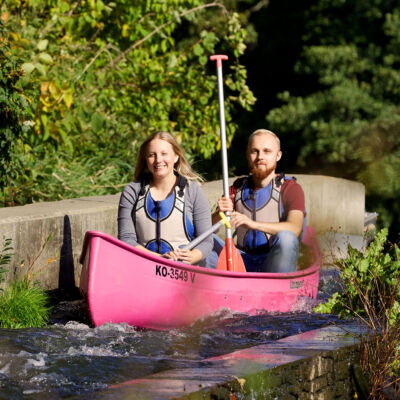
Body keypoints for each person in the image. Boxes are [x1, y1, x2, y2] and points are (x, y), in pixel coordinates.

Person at [206, 129, 306, 272]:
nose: (260, 157)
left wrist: (252, 224)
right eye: (255, 151)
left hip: (274, 261)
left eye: (267, 151)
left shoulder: (290, 188)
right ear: (248, 155)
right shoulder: (236, 188)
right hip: (241, 260)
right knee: (203, 239)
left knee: (287, 238)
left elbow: (295, 228)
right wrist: (219, 214)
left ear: (278, 156)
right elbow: (208, 229)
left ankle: (278, 286)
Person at [118, 131, 212, 265]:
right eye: (152, 155)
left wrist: (193, 256)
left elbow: (206, 241)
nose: (158, 160)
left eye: (164, 154)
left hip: (185, 272)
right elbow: (126, 239)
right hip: (144, 268)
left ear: (176, 156)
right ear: (146, 159)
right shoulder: (132, 192)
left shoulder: (194, 191)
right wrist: (160, 259)